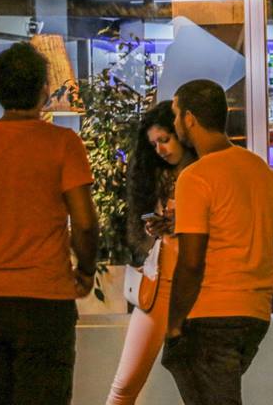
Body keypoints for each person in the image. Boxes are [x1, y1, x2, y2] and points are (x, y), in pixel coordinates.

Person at [0, 42, 99, 405]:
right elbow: (85, 222)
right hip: (46, 296)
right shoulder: (64, 143)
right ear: (44, 88)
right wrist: (86, 271)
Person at [162, 79, 273, 405]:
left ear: (189, 119)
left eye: (175, 114)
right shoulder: (262, 171)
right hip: (255, 314)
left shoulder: (195, 177)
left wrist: (173, 324)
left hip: (210, 313)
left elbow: (191, 262)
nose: (174, 123)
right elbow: (269, 244)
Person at [107, 102, 196, 405]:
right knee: (124, 384)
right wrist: (153, 225)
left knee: (201, 387)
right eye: (154, 144)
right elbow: (141, 219)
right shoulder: (155, 174)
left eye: (165, 140)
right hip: (161, 281)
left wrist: (178, 222)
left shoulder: (203, 170)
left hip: (199, 283)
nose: (160, 149)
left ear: (180, 133)